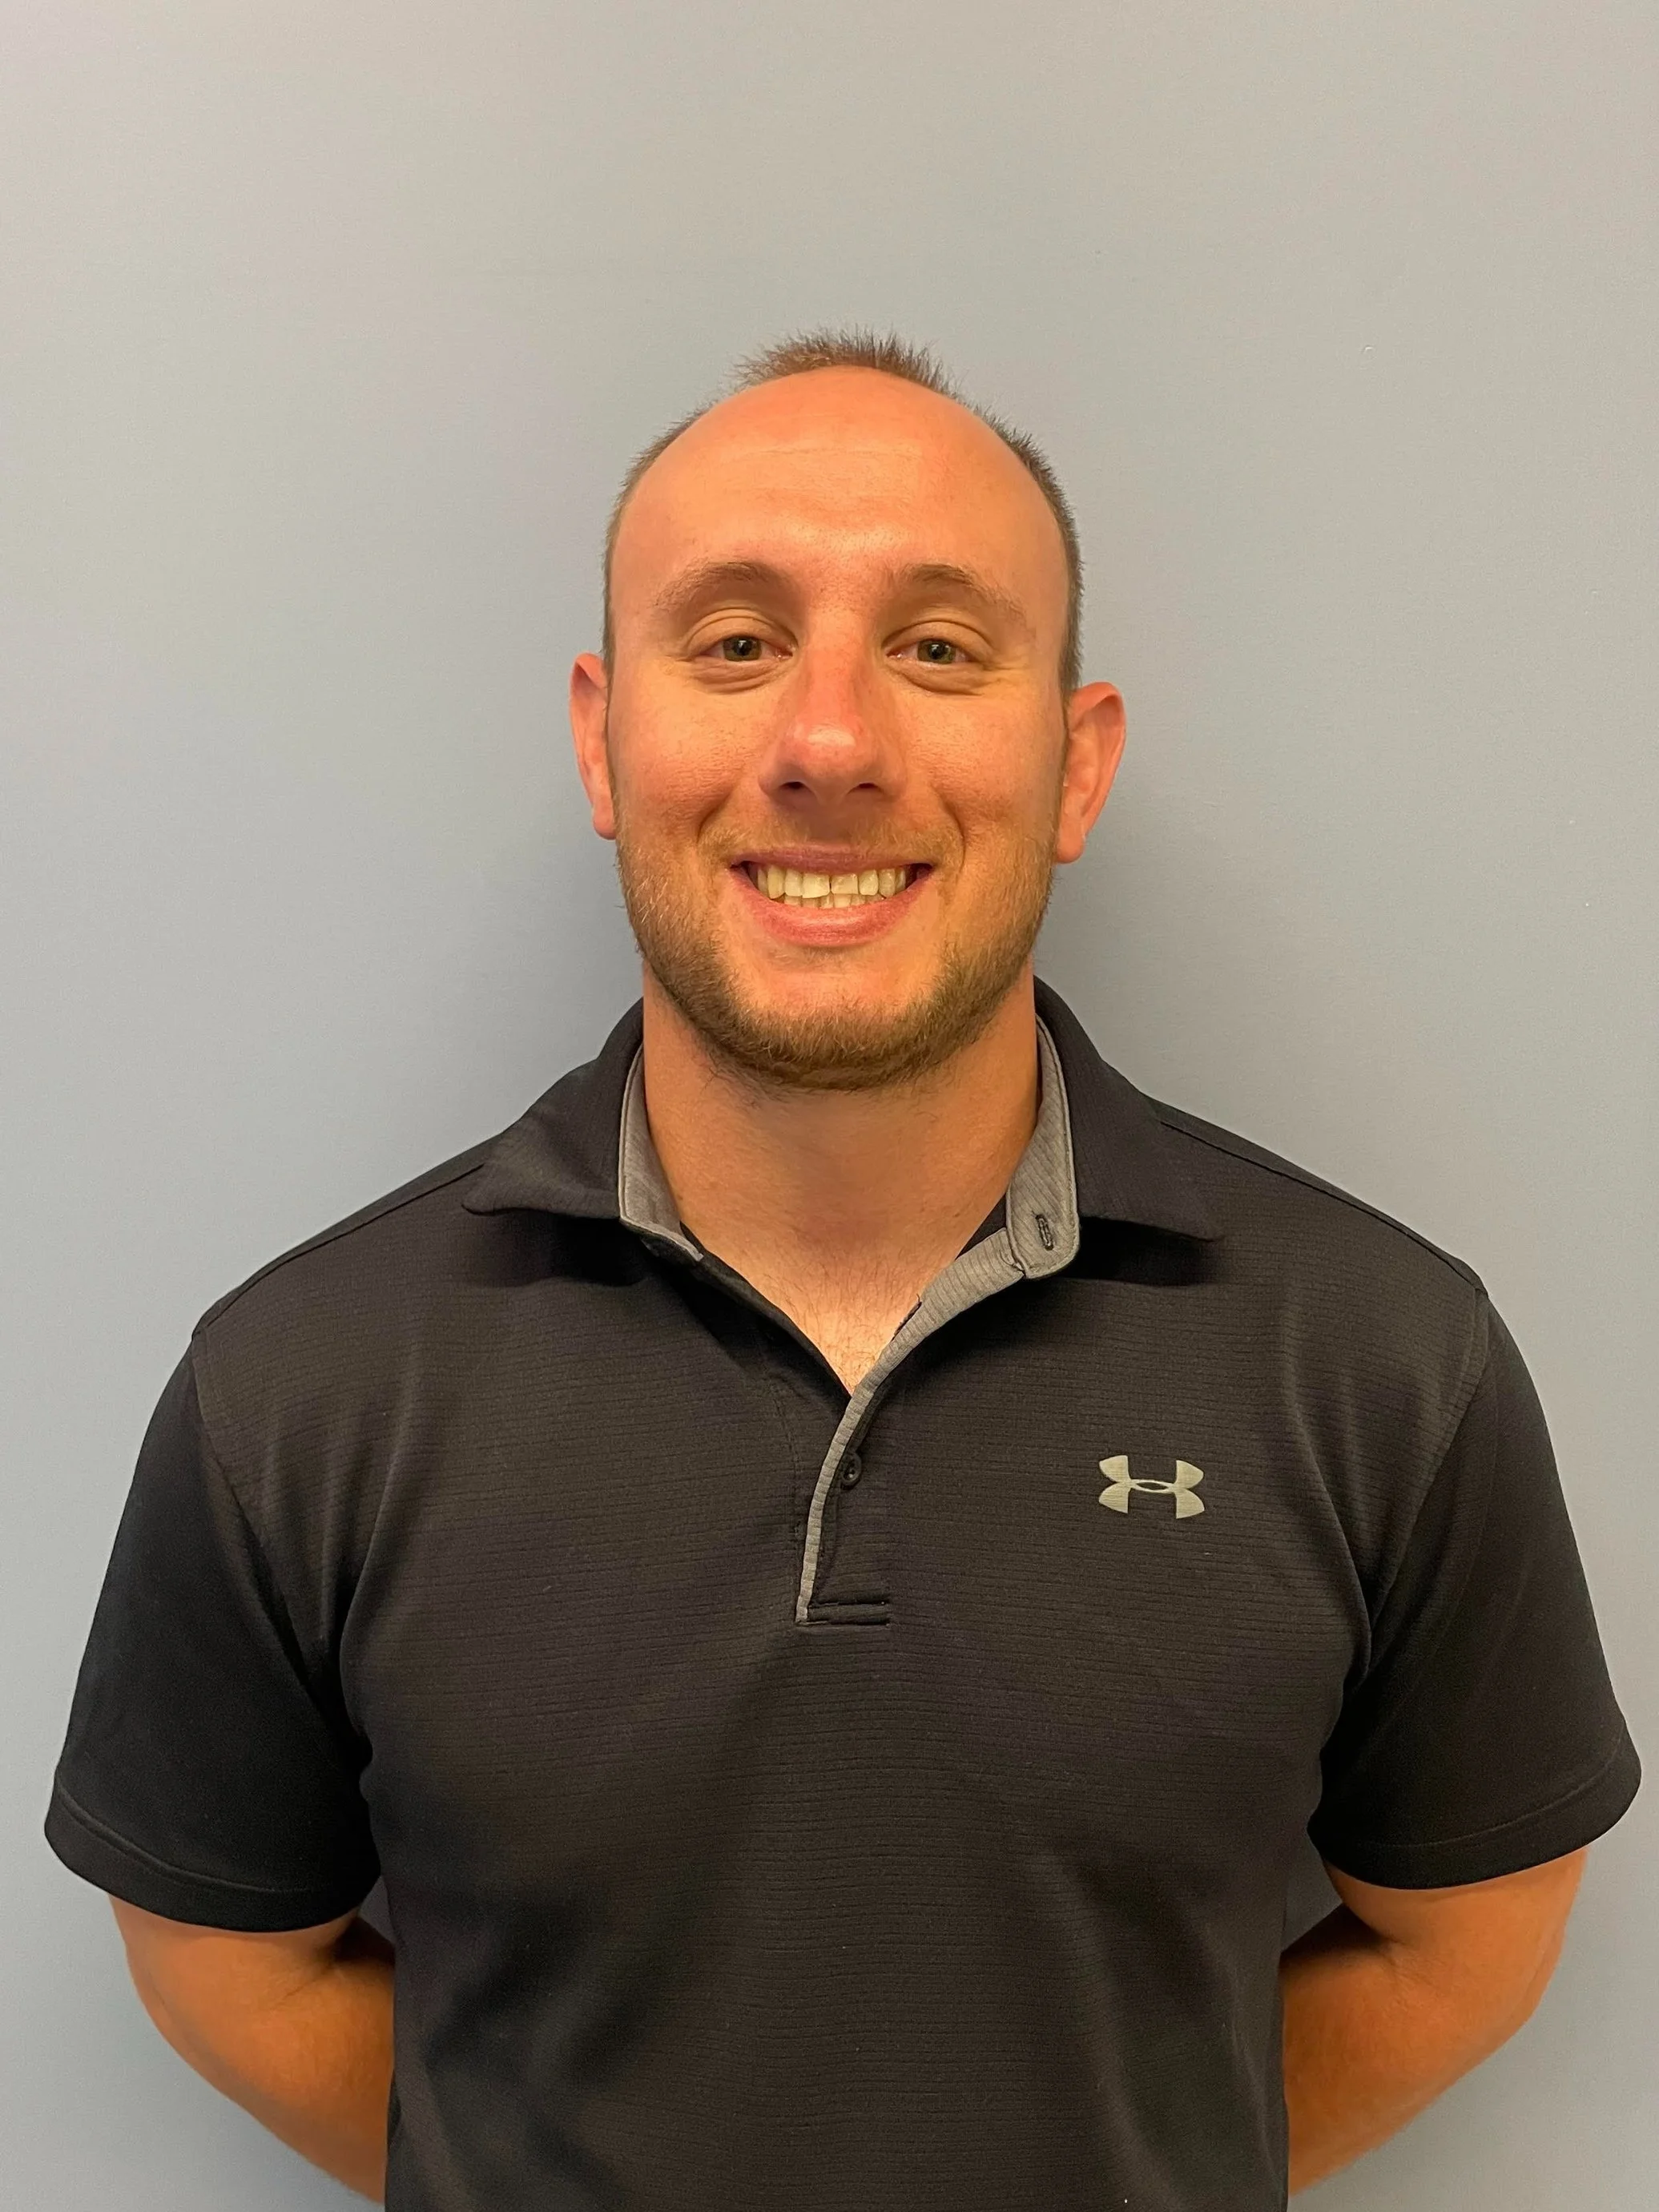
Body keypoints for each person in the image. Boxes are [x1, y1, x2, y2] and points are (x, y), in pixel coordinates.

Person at [47, 330, 1638, 2211]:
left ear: (1077, 759)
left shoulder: (1384, 1364)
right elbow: (224, 1961)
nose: (827, 742)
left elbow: (1470, 1945)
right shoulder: (296, 1394)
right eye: (732, 642)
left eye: (942, 648)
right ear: (599, 736)